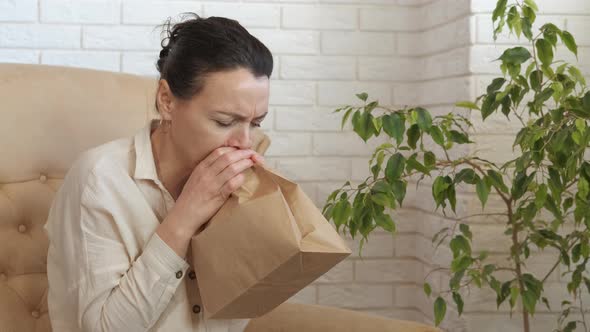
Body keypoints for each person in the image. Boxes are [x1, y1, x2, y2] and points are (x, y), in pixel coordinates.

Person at [43, 13, 272, 332]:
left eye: (256, 123)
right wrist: (185, 217)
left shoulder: (238, 185)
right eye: (224, 122)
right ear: (167, 101)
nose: (244, 142)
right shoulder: (99, 181)